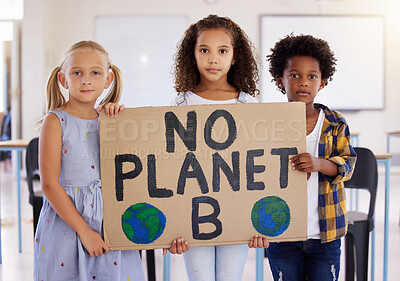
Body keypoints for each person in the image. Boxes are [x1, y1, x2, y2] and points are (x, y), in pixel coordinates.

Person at [164, 14, 269, 281]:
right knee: (199, 277)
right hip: (192, 215)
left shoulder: (250, 107)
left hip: (237, 214)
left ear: (235, 57)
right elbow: (168, 164)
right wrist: (171, 224)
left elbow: (263, 164)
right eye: (204, 50)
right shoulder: (179, 106)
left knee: (229, 277)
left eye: (222, 51)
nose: (213, 59)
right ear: (193, 55)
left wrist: (261, 219)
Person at [34, 40, 145, 281]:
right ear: (63, 80)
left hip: (111, 222)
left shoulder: (112, 119)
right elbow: (49, 185)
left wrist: (118, 122)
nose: (86, 80)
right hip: (68, 225)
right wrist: (85, 232)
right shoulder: (55, 121)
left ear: (107, 80)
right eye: (77, 73)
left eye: (95, 73)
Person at [266, 34, 357, 280]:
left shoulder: (335, 122)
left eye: (312, 76)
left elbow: (347, 165)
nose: (303, 82)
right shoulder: (269, 124)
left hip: (325, 234)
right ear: (280, 80)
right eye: (294, 75)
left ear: (323, 82)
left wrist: (319, 164)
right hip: (283, 233)